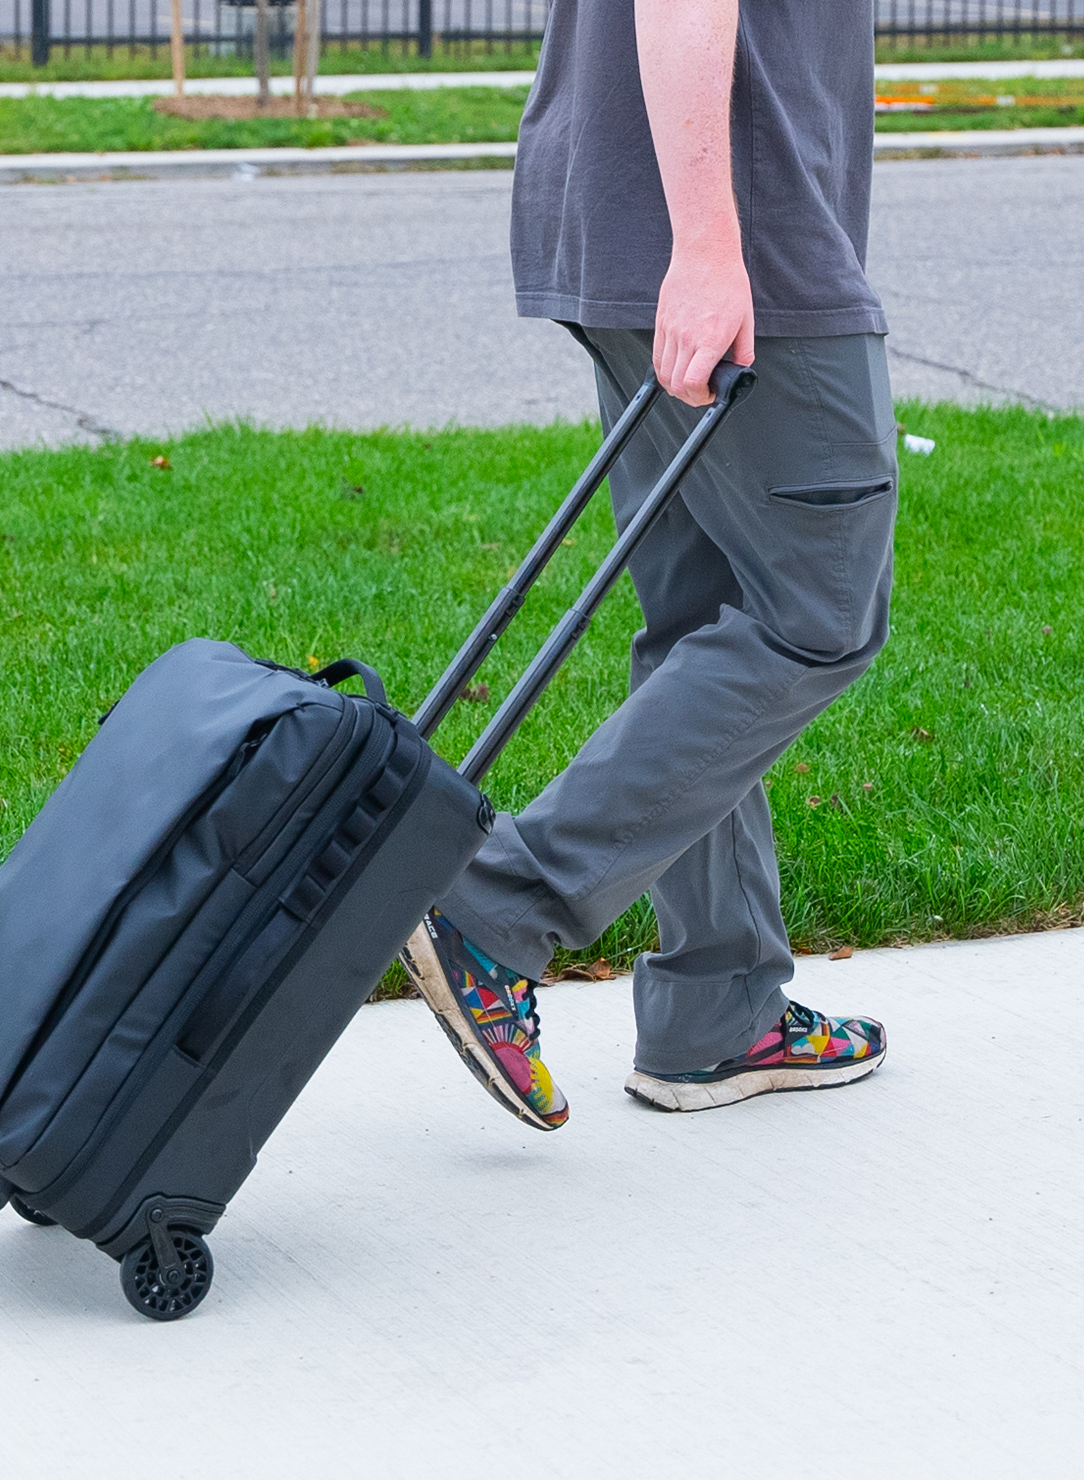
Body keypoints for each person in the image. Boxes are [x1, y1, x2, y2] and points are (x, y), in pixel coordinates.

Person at [399, 0, 897, 1125]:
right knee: (820, 613)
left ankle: (718, 1013)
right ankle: (498, 905)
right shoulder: (721, 246)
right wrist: (712, 249)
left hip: (637, 219)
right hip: (732, 243)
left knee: (703, 612)